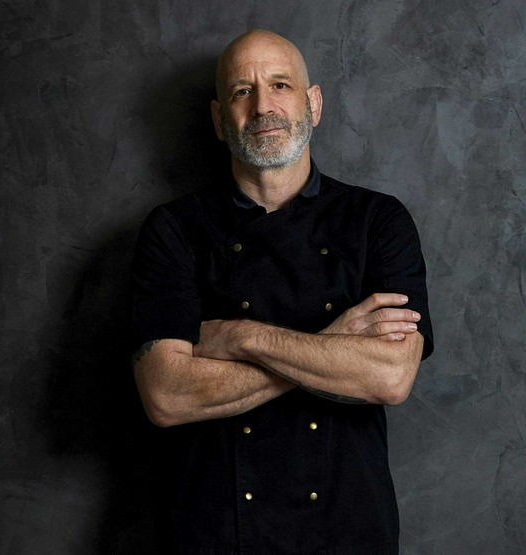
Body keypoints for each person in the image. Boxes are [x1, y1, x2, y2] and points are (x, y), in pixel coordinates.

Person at [131, 29, 433, 554]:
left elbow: (390, 375)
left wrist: (240, 337)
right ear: (219, 120)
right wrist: (334, 347)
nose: (263, 106)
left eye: (280, 85)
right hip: (217, 535)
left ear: (313, 104)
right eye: (241, 91)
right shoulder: (174, 230)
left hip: (348, 531)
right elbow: (165, 395)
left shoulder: (378, 221)